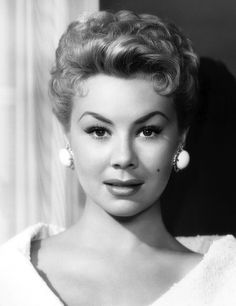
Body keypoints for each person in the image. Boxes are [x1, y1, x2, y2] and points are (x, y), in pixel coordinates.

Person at [0, 10, 236, 306]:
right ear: (68, 135)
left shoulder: (228, 283)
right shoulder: (9, 276)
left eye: (148, 131)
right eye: (99, 131)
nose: (123, 157)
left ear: (181, 138)